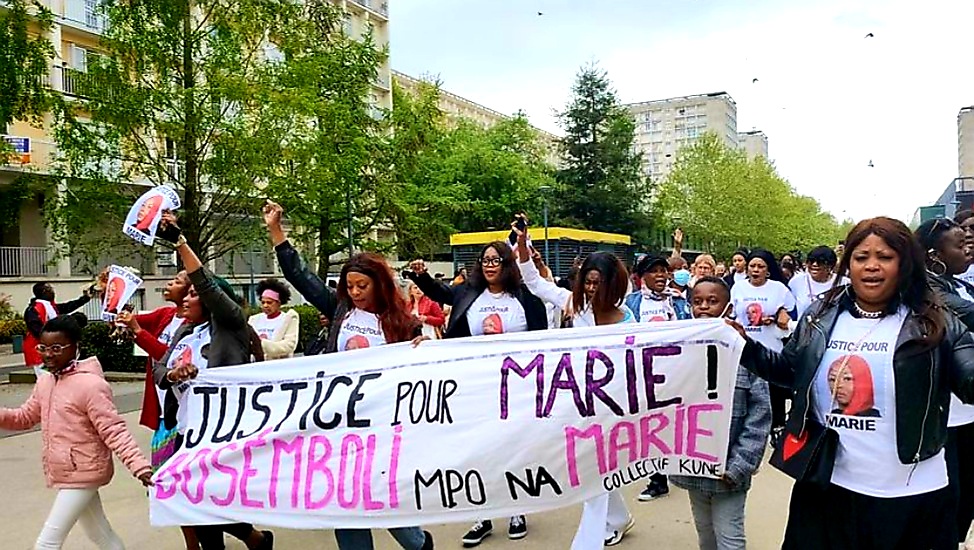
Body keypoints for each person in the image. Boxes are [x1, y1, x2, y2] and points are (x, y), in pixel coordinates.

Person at [732, 217, 974, 549]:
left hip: (910, 497)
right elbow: (790, 371)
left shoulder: (937, 320)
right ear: (849, 263)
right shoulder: (822, 313)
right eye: (862, 257)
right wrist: (742, 345)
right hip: (825, 489)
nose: (872, 266)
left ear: (905, 263)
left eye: (885, 257)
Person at [263, 200, 433, 550]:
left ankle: (418, 542)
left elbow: (422, 366)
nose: (354, 293)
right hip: (338, 424)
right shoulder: (339, 309)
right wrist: (276, 230)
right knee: (344, 502)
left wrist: (423, 345)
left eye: (362, 286)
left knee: (381, 500)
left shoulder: (401, 323)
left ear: (378, 285)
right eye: (350, 286)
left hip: (382, 427)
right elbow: (300, 276)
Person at [407, 240, 546, 547]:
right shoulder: (467, 293)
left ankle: (516, 510)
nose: (490, 265)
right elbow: (441, 294)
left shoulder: (525, 299)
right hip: (475, 388)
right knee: (479, 449)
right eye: (485, 260)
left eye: (496, 260)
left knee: (512, 448)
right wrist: (421, 277)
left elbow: (543, 344)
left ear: (507, 264)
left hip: (515, 389)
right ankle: (482, 514)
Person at [153, 212, 273, 550]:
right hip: (186, 432)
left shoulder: (230, 325)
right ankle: (255, 539)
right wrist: (173, 373)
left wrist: (179, 241)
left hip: (221, 434)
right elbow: (158, 370)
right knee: (193, 501)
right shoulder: (184, 331)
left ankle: (255, 538)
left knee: (213, 499)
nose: (186, 299)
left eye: (193, 295)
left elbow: (205, 283)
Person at [513, 225, 636, 547]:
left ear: (614, 285)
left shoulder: (628, 321)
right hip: (579, 401)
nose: (593, 289)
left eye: (599, 283)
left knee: (596, 467)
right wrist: (523, 244)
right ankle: (618, 518)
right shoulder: (574, 304)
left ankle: (589, 538)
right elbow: (536, 283)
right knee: (595, 466)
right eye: (588, 282)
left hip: (614, 406)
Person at [0, 313, 153, 550]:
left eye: (57, 348)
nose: (49, 355)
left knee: (47, 543)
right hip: (69, 471)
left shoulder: (91, 385)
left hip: (84, 470)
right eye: (44, 348)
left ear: (76, 347)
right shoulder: (45, 382)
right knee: (101, 534)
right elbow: (24, 417)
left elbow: (114, 431)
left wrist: (140, 467)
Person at [671, 277, 771, 550]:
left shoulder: (744, 354)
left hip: (730, 472)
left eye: (712, 301)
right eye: (697, 301)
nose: (704, 307)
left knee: (730, 537)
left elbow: (760, 416)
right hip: (693, 468)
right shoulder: (678, 352)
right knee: (705, 532)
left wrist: (740, 465)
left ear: (728, 307)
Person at [916, 217, 974, 548]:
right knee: (948, 500)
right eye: (958, 244)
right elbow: (963, 316)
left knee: (967, 495)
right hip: (945, 417)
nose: (966, 248)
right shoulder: (927, 289)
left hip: (968, 412)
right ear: (934, 254)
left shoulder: (958, 284)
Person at [730, 249, 796, 440]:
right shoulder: (738, 288)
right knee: (746, 394)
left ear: (768, 270)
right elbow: (732, 314)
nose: (755, 270)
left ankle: (777, 427)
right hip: (743, 350)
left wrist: (776, 318)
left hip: (771, 349)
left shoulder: (779, 289)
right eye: (752, 266)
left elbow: (790, 318)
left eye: (760, 266)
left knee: (773, 394)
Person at [23, 281, 95, 370]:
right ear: (44, 291)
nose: (53, 292)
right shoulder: (33, 309)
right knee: (45, 377)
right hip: (40, 349)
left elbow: (68, 306)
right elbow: (36, 330)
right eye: (50, 289)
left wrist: (85, 298)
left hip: (52, 348)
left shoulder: (50, 307)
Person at [247, 278, 300, 359]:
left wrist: (260, 344)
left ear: (279, 303)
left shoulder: (289, 319)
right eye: (263, 302)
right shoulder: (254, 319)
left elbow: (289, 346)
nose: (265, 305)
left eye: (269, 302)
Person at [789, 246, 846, 319]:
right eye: (811, 261)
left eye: (820, 262)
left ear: (830, 265)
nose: (814, 264)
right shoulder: (796, 281)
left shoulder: (843, 283)